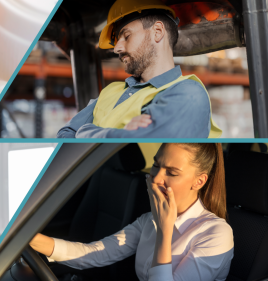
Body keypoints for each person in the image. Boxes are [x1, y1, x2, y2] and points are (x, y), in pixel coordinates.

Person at [30, 143, 233, 281]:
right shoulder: (148, 221)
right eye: (155, 165)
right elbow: (94, 253)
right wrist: (27, 238)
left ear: (200, 181)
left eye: (171, 172)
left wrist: (164, 230)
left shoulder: (216, 233)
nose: (156, 178)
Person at [57, 0, 222, 138]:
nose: (117, 49)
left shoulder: (188, 93)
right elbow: (64, 134)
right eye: (116, 41)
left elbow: (135, 148)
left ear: (157, 32)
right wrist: (120, 133)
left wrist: (85, 131)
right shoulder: (110, 91)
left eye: (126, 36)